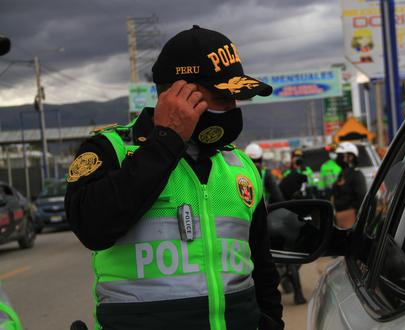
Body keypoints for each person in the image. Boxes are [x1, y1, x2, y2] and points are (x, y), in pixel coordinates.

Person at [65, 25, 283, 330]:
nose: (232, 109)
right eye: (224, 97)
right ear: (178, 93)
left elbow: (262, 267)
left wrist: (272, 323)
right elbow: (92, 228)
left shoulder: (240, 165)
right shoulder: (109, 151)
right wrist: (166, 142)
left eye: (236, 99)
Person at [331, 142, 367, 229]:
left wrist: (354, 215)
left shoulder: (356, 174)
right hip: (339, 216)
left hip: (350, 217)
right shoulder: (342, 173)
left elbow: (361, 197)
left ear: (350, 157)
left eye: (341, 155)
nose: (338, 158)